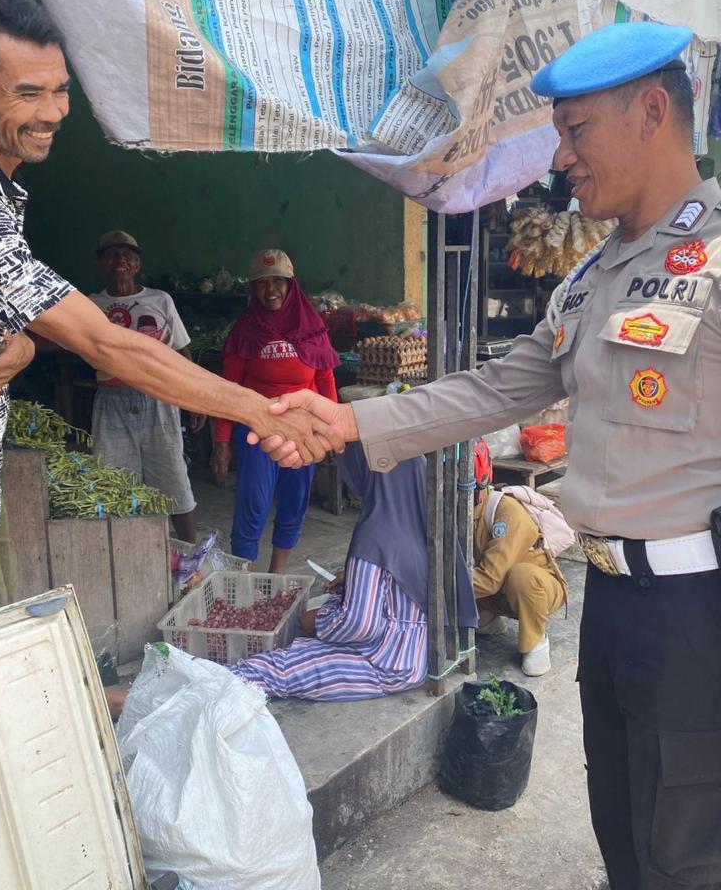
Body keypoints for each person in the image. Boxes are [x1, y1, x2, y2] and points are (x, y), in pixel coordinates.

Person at [261, 21, 721, 889]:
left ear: (651, 112)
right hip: (615, 611)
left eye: (575, 129)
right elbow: (495, 389)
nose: (560, 159)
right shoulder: (596, 277)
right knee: (627, 852)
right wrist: (345, 422)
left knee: (695, 869)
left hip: (709, 621)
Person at [0, 0, 335, 634]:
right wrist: (254, 407)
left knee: (0, 638)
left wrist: (20, 339)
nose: (53, 112)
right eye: (28, 93)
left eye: (60, 89)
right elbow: (103, 343)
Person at [228, 443, 476, 700]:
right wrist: (355, 582)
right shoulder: (425, 517)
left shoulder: (374, 532)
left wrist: (315, 620)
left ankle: (215, 678)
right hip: (422, 652)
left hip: (386, 664)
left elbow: (358, 625)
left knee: (276, 669)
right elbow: (407, 576)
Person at [213, 250, 339, 573]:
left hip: (303, 430)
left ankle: (276, 575)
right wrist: (222, 441)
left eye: (278, 282)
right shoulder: (244, 330)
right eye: (262, 283)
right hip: (257, 430)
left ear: (291, 284)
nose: (271, 290)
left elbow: (325, 379)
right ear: (252, 290)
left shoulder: (311, 325)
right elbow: (229, 392)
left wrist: (335, 429)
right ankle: (246, 578)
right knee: (253, 503)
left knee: (294, 502)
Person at [89, 229, 204, 542]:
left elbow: (182, 353)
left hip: (159, 398)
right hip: (111, 402)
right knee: (112, 484)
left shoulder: (159, 300)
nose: (120, 261)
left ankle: (191, 554)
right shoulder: (90, 305)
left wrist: (195, 398)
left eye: (128, 255)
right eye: (112, 254)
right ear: (100, 263)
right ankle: (123, 551)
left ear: (137, 264)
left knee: (173, 479)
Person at [470, 439, 567, 677]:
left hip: (538, 587)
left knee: (521, 576)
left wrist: (428, 585)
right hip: (497, 587)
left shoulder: (507, 513)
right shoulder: (457, 511)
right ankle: (487, 618)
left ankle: (536, 641)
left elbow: (489, 579)